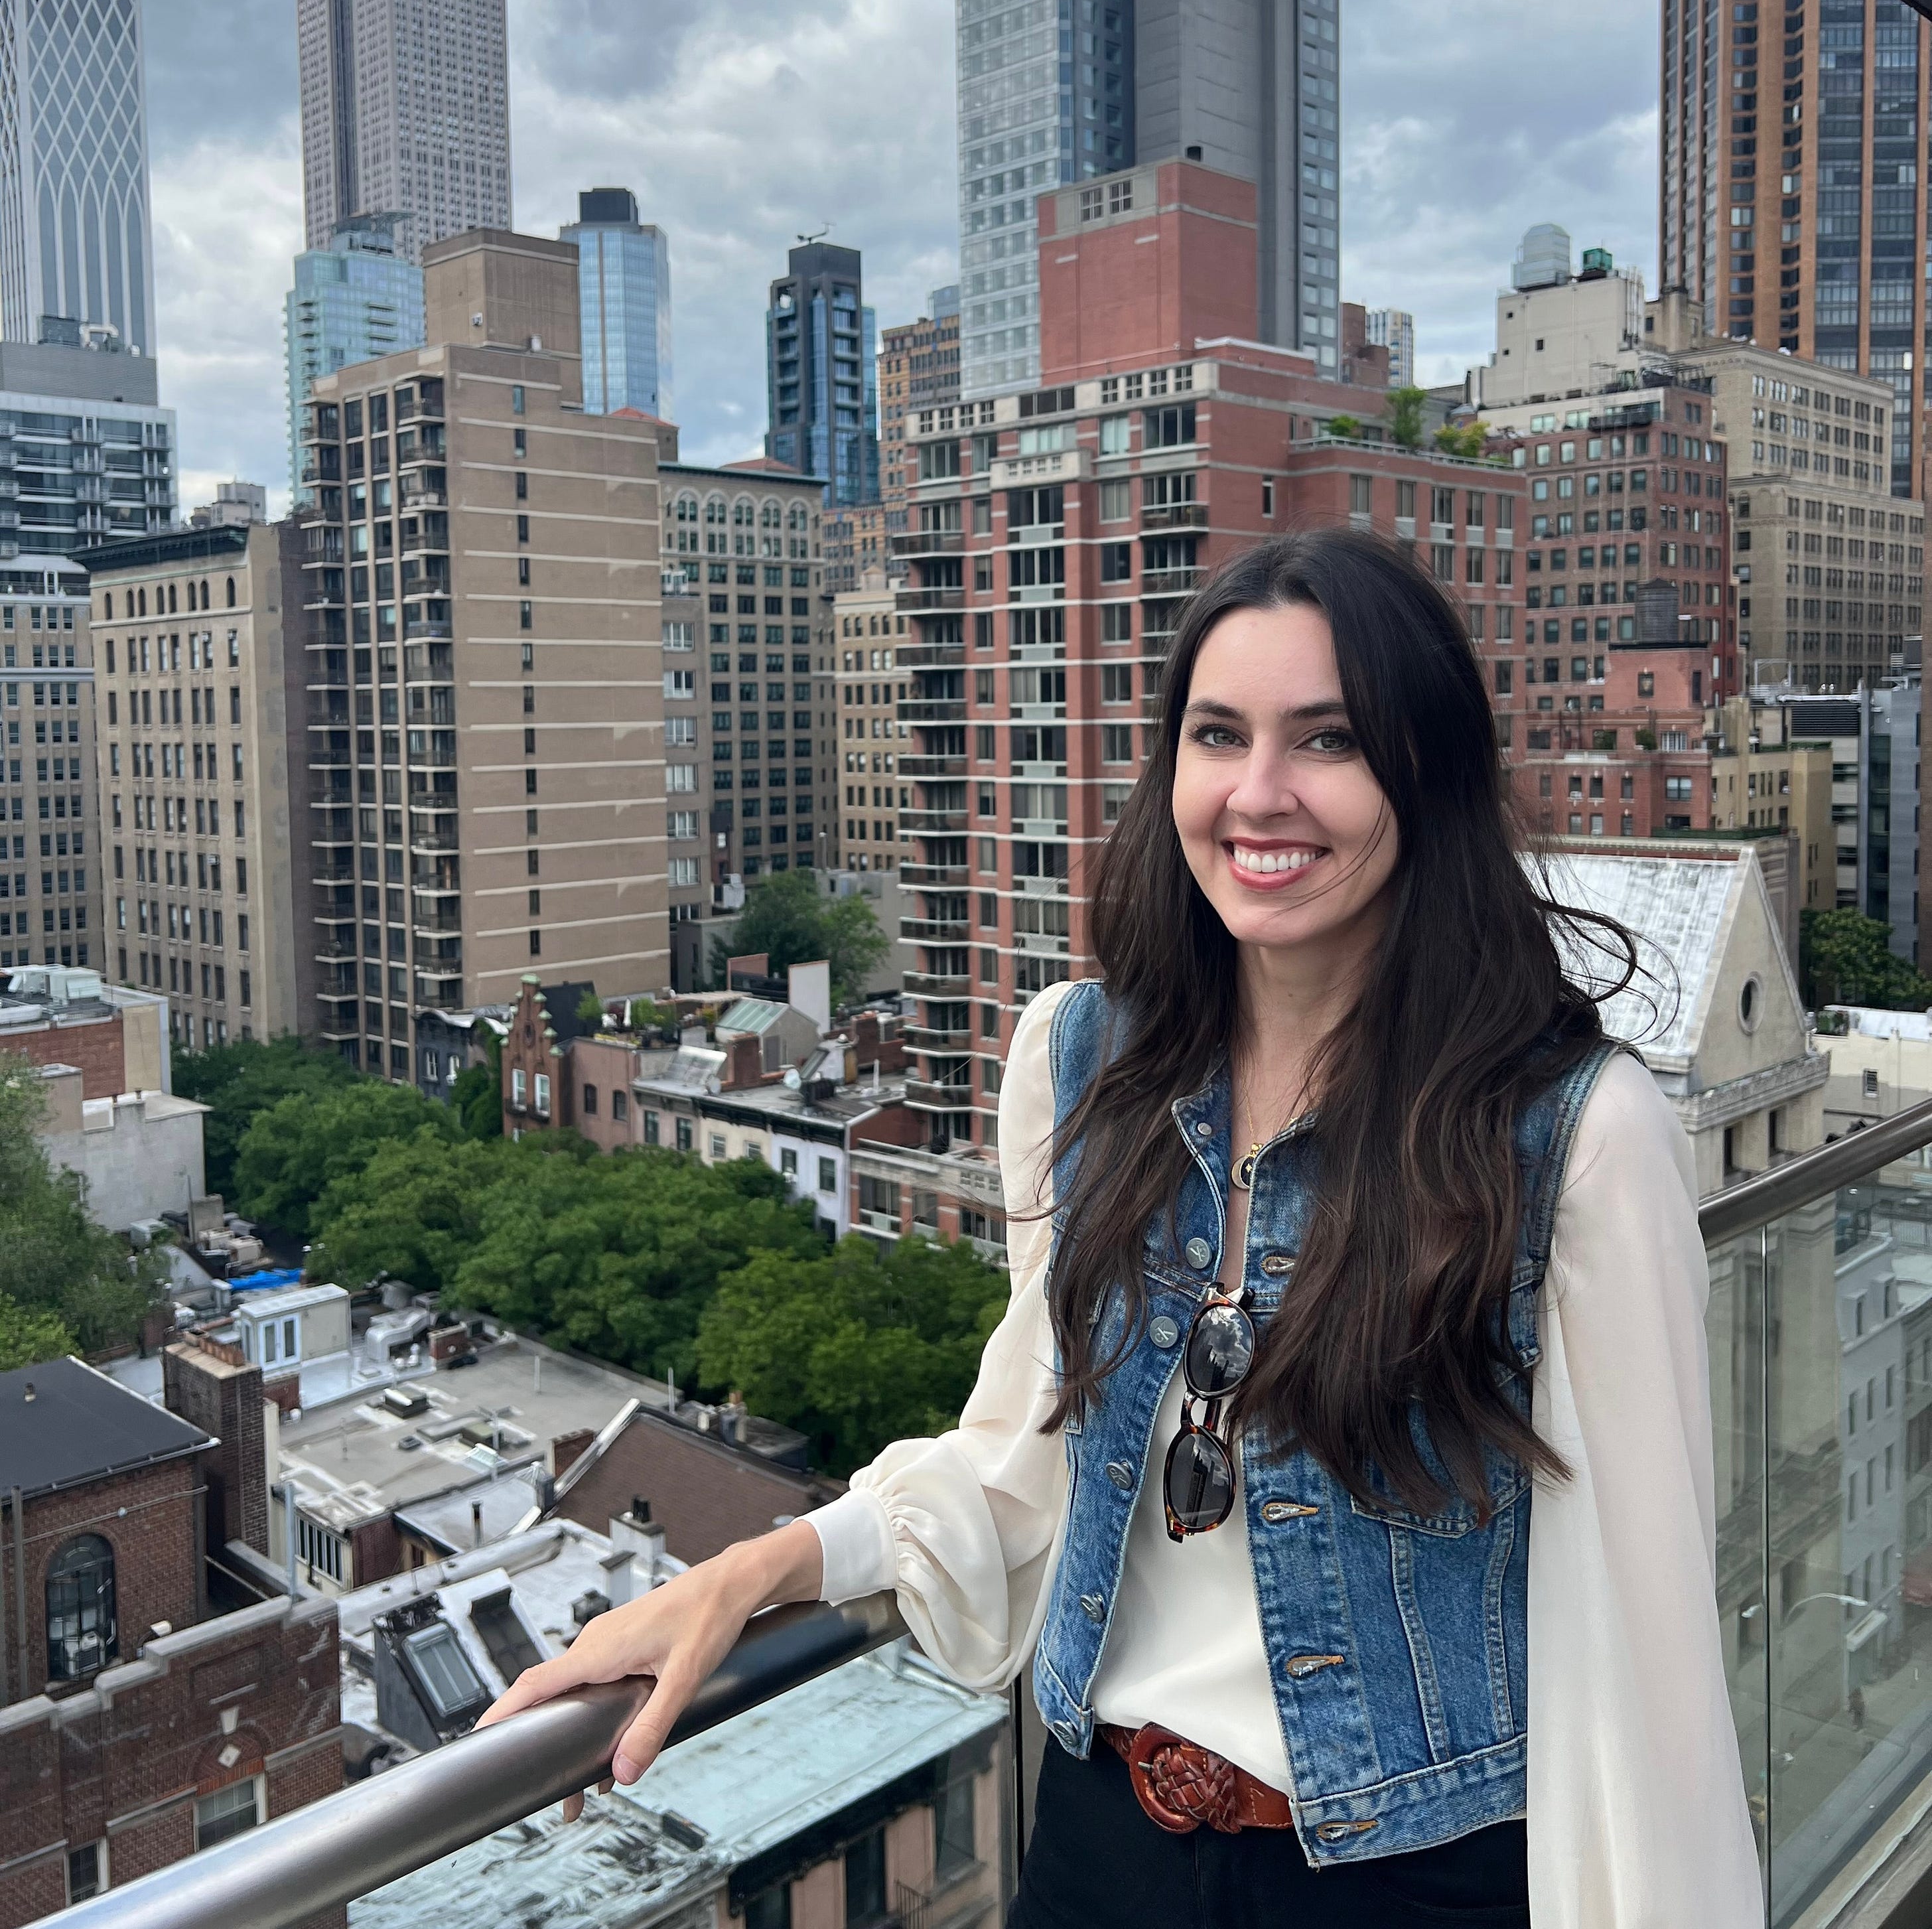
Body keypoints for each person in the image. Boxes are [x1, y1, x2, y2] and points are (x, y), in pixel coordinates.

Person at [481, 530, 1763, 1927]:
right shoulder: (1087, 1059)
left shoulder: (1568, 1133)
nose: (1258, 795)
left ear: (1426, 774)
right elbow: (1028, 1460)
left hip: (1409, 1880)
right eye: (1218, 735)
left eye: (1326, 740)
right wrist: (759, 1566)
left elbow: (1643, 1666)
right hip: (1098, 1846)